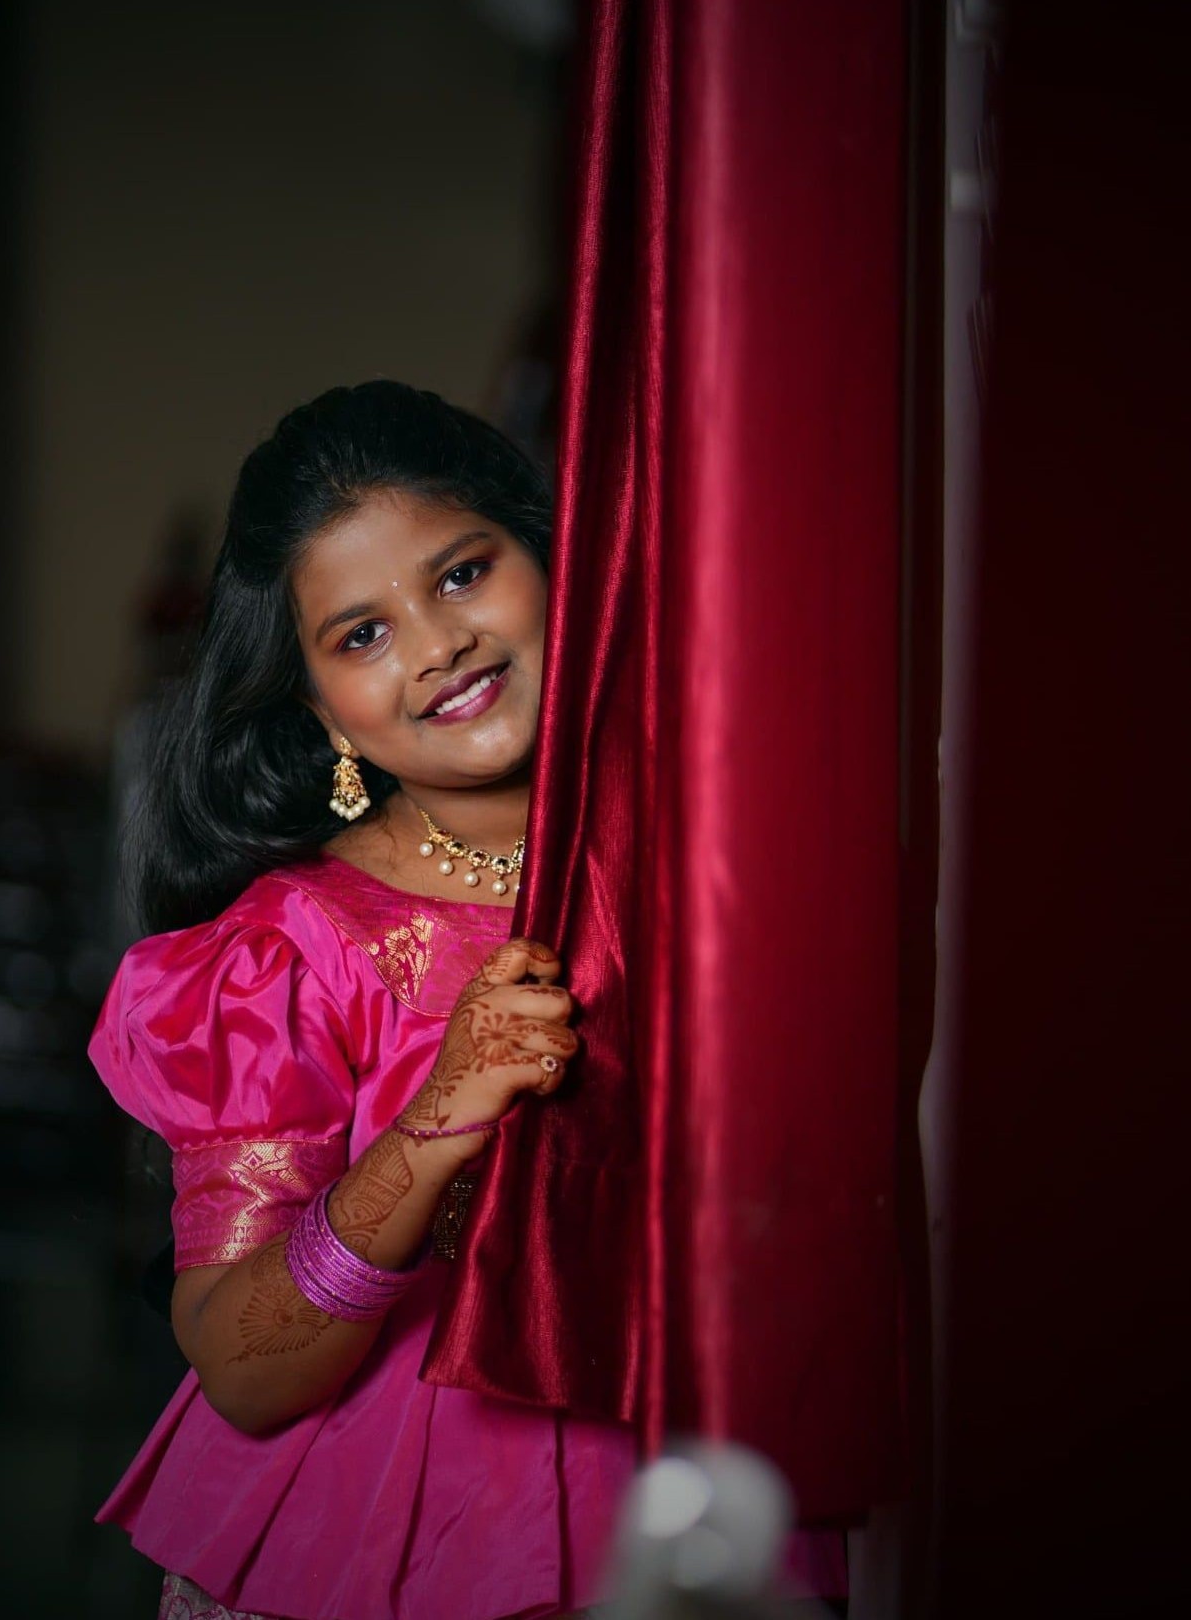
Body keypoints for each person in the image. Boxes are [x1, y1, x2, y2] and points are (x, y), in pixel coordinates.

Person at [92, 381, 848, 1620]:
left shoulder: (729, 860)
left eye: (460, 574)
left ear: (553, 561)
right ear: (317, 708)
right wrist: (436, 1120)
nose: (437, 645)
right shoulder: (289, 953)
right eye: (361, 635)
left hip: (710, 1488)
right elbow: (240, 1368)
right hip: (379, 1539)